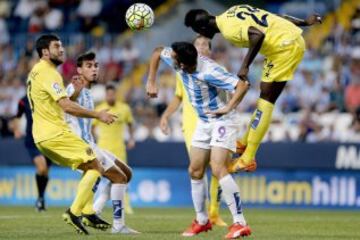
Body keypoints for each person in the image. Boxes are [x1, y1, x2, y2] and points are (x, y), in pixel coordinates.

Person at [184, 5, 322, 172]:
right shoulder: (233, 10)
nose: (199, 35)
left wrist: (245, 66)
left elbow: (258, 35)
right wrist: (304, 23)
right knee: (264, 95)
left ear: (203, 28)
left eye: (197, 30)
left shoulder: (228, 30)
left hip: (284, 47)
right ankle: (243, 142)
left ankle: (248, 158)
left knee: (266, 101)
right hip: (287, 41)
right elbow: (273, 18)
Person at [146, 42, 251, 239]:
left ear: (183, 65)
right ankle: (202, 221)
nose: (172, 60)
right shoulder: (180, 61)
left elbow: (243, 84)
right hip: (204, 122)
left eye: (175, 60)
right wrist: (151, 81)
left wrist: (229, 106)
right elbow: (157, 51)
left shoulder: (211, 71)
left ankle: (240, 223)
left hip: (222, 120)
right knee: (195, 170)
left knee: (218, 168)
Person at [27, 34, 118, 235]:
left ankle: (87, 212)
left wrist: (74, 93)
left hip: (42, 136)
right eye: (57, 46)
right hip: (55, 133)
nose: (62, 49)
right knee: (96, 165)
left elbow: (56, 101)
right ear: (44, 52)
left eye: (61, 45)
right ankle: (74, 212)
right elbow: (66, 106)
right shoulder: (49, 73)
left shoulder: (35, 72)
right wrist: (98, 115)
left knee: (89, 167)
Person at [66, 51, 139, 234]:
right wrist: (75, 89)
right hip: (82, 146)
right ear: (79, 69)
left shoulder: (90, 92)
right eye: (89, 66)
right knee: (119, 178)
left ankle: (94, 210)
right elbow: (69, 101)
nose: (94, 69)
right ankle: (118, 225)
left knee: (127, 174)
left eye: (96, 65)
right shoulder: (76, 86)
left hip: (92, 144)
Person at [159, 35, 226, 227]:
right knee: (199, 168)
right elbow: (178, 97)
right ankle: (204, 214)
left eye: (205, 44)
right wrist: (165, 116)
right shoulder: (182, 71)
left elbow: (229, 96)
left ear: (210, 51)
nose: (201, 47)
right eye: (197, 44)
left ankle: (214, 212)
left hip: (215, 122)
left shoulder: (217, 71)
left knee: (218, 167)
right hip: (191, 124)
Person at [92, 84, 136, 215]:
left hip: (119, 148)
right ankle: (93, 204)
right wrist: (94, 142)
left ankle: (126, 205)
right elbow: (92, 128)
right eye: (108, 94)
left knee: (124, 177)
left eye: (112, 94)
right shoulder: (100, 109)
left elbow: (130, 124)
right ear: (105, 95)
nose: (110, 96)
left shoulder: (124, 108)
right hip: (103, 148)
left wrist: (132, 139)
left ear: (116, 94)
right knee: (97, 177)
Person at [13, 96, 51, 212]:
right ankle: (40, 199)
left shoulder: (46, 97)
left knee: (45, 171)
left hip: (48, 140)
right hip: (32, 140)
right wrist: (16, 130)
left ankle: (41, 198)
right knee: (42, 167)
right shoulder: (23, 100)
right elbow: (17, 116)